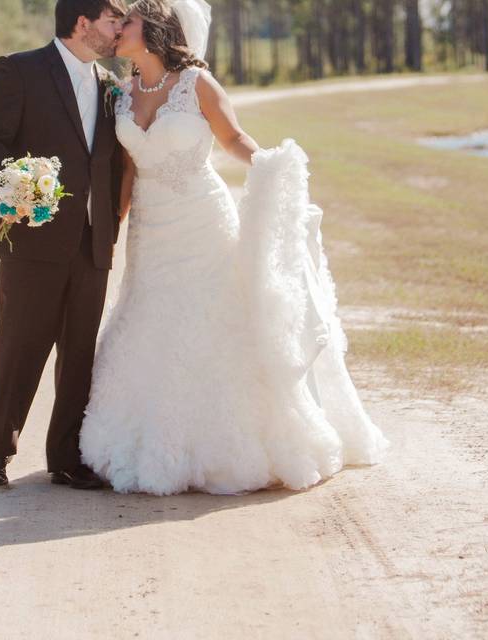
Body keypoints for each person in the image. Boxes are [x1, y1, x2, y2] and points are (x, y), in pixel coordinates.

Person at [78, 0, 391, 495]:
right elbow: (130, 171)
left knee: (215, 318)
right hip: (151, 231)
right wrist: (113, 228)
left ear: (155, 29)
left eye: (128, 22)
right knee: (150, 320)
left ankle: (236, 439)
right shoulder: (121, 93)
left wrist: (271, 166)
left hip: (202, 221)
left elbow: (233, 138)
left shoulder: (196, 84)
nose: (117, 30)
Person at [0, 0, 128, 489]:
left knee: (79, 356)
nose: (119, 29)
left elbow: (114, 163)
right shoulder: (19, 71)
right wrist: (14, 199)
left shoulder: (112, 87)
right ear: (83, 24)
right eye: (112, 20)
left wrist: (110, 227)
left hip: (91, 244)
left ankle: (66, 458)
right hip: (32, 242)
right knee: (19, 348)